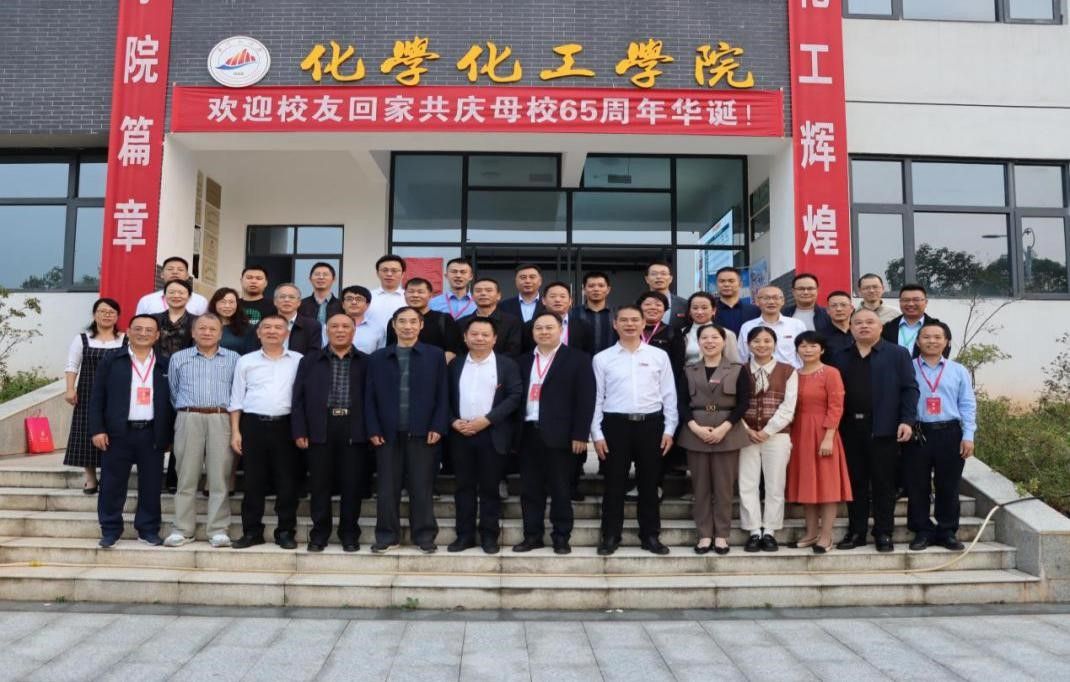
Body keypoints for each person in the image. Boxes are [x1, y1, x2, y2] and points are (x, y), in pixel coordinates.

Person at [830, 308, 919, 552]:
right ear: (851, 328)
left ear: (880, 327)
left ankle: (883, 533)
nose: (864, 326)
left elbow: (909, 389)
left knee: (884, 484)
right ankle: (856, 532)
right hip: (849, 429)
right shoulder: (840, 355)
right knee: (855, 484)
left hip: (884, 428)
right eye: (858, 322)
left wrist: (907, 420)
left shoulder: (897, 354)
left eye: (870, 322)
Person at [592, 306, 678, 556]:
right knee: (614, 483)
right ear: (615, 324)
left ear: (643, 324)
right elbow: (596, 398)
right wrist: (597, 433)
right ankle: (610, 535)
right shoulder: (602, 358)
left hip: (651, 425)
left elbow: (669, 395)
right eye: (624, 320)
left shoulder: (658, 356)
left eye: (634, 320)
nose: (629, 324)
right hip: (615, 425)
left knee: (649, 484)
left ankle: (650, 535)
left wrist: (669, 429)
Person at [365, 307, 449, 554]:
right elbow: (369, 397)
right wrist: (373, 427)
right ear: (393, 325)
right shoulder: (378, 358)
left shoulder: (435, 355)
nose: (407, 326)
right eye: (402, 321)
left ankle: (424, 536)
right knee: (386, 489)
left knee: (421, 487)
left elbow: (443, 393)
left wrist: (438, 425)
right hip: (387, 433)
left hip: (423, 432)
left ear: (421, 325)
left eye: (413, 322)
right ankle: (386, 536)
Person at [514, 311, 596, 555]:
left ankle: (561, 537)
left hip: (561, 435)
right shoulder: (523, 361)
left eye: (549, 327)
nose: (544, 332)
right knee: (530, 490)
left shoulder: (578, 359)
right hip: (528, 433)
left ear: (561, 330)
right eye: (539, 328)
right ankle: (532, 536)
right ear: (532, 332)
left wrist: (580, 434)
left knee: (561, 489)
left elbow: (585, 399)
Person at [88, 314, 173, 548]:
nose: (143, 333)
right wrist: (97, 430)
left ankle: (148, 530)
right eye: (138, 329)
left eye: (149, 330)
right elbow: (97, 397)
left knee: (151, 485)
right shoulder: (112, 360)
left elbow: (172, 403)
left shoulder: (165, 364)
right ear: (128, 331)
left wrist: (169, 435)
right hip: (118, 433)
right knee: (112, 484)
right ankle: (110, 530)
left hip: (151, 432)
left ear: (157, 335)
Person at [292, 314, 371, 553]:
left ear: (354, 331)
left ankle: (349, 534)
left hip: (354, 427)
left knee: (352, 485)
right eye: (334, 326)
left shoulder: (366, 362)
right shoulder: (310, 361)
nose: (340, 330)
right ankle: (319, 534)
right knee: (319, 485)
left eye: (345, 326)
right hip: (320, 427)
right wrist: (300, 429)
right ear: (327, 331)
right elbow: (298, 399)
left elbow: (374, 399)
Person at [447, 317, 523, 554]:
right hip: (460, 434)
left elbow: (514, 396)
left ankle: (489, 536)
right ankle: (464, 536)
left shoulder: (506, 365)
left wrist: (487, 420)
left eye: (485, 335)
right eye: (474, 334)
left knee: (490, 489)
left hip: (492, 434)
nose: (479, 338)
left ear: (494, 338)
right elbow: (443, 396)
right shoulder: (455, 364)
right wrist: (453, 421)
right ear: (465, 337)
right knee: (463, 488)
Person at [228, 315, 303, 550]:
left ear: (286, 333)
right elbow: (236, 399)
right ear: (258, 333)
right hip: (253, 425)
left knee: (287, 481)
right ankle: (252, 532)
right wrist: (235, 432)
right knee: (253, 481)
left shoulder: (298, 360)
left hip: (287, 426)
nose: (272, 331)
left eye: (278, 327)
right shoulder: (246, 361)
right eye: (267, 327)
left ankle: (285, 532)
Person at [164, 314, 238, 549]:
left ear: (220, 333)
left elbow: (237, 392)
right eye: (202, 328)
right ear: (193, 332)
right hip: (189, 417)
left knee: (219, 477)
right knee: (186, 476)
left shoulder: (233, 359)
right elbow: (173, 391)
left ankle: (218, 529)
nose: (207, 332)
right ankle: (182, 529)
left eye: (212, 329)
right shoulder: (179, 358)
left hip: (221, 418)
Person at [676, 324, 751, 555]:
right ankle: (704, 535)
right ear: (698, 343)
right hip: (695, 431)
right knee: (700, 488)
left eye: (715, 337)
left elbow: (743, 403)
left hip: (728, 431)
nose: (709, 342)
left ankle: (721, 536)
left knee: (724, 488)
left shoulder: (737, 369)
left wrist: (724, 428)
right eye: (704, 338)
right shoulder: (689, 370)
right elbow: (681, 403)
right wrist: (695, 427)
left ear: (724, 341)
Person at [905, 321, 977, 552]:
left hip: (950, 432)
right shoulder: (908, 368)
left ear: (946, 342)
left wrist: (968, 435)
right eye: (926, 337)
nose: (932, 341)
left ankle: (947, 531)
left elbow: (967, 404)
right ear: (918, 342)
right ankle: (922, 531)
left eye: (937, 337)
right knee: (917, 485)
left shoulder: (958, 370)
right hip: (918, 433)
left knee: (948, 485)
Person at [787, 331, 852, 554]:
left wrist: (829, 436)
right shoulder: (793, 374)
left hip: (824, 432)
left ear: (822, 349)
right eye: (803, 346)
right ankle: (811, 532)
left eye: (813, 345)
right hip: (799, 432)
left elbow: (836, 406)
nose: (808, 350)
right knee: (807, 483)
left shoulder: (831, 373)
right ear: (797, 350)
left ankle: (826, 536)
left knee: (827, 484)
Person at [738, 326, 799, 552]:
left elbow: (788, 407)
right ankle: (754, 530)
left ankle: (770, 530)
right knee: (747, 483)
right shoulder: (740, 370)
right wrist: (746, 429)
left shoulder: (788, 371)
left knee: (775, 484)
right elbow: (733, 404)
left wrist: (767, 431)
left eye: (767, 341)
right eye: (756, 341)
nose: (761, 345)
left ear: (775, 344)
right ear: (748, 345)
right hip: (745, 435)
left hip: (777, 436)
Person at [63, 298, 126, 495]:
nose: (107, 315)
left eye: (111, 312)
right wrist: (70, 388)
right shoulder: (82, 339)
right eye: (102, 311)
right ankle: (90, 477)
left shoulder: (124, 339)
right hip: (88, 392)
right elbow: (72, 364)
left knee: (114, 434)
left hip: (118, 393)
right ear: (94, 314)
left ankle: (109, 476)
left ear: (117, 316)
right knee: (86, 433)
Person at [386, 277, 465, 362]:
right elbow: (390, 350)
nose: (415, 295)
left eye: (420, 292)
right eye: (411, 292)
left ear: (430, 295)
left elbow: (451, 352)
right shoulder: (396, 321)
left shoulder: (445, 320)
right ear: (404, 294)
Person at [738, 285, 806, 368]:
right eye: (766, 298)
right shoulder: (747, 327)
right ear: (757, 301)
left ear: (782, 301)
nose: (771, 302)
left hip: (791, 373)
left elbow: (804, 353)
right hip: (759, 374)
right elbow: (742, 358)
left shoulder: (797, 324)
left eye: (776, 298)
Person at [521, 281, 594, 355]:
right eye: (552, 296)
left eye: (562, 296)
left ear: (570, 301)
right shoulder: (530, 326)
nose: (557, 300)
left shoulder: (583, 326)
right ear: (543, 301)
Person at [882, 284, 947, 358]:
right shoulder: (887, 328)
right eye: (906, 300)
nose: (911, 304)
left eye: (916, 300)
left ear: (926, 302)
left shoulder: (939, 327)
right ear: (900, 302)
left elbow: (944, 353)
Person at [676, 292, 740, 365]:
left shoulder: (726, 334)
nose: (699, 312)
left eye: (704, 308)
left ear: (713, 311)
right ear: (689, 311)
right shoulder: (681, 333)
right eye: (695, 308)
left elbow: (734, 364)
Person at [134, 256, 208, 316]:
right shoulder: (147, 301)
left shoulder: (200, 301)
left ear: (187, 276)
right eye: (170, 269)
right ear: (162, 274)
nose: (175, 272)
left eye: (180, 270)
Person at [470, 277, 523, 358]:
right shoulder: (462, 322)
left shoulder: (512, 322)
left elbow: (514, 351)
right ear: (472, 296)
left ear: (498, 296)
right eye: (478, 291)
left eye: (488, 290)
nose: (483, 293)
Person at [636, 291, 685, 370]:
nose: (653, 307)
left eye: (658, 305)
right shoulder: (630, 331)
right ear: (639, 308)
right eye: (647, 304)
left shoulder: (673, 332)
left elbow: (677, 363)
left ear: (665, 309)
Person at [573, 271, 617, 355]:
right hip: (581, 361)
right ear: (584, 290)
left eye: (601, 286)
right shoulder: (573, 314)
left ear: (608, 290)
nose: (596, 289)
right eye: (591, 286)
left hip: (612, 361)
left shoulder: (617, 314)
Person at [273, 283, 322, 355]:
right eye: (282, 297)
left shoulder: (312, 326)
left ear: (299, 302)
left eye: (291, 297)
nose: (286, 300)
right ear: (275, 301)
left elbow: (314, 354)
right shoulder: (265, 325)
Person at [152, 279, 196, 360]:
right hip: (156, 365)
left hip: (187, 365)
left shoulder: (197, 321)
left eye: (181, 293)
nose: (176, 296)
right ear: (164, 296)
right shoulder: (153, 319)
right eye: (171, 292)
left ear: (189, 297)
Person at [366, 254, 408, 332]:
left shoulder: (409, 297)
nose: (389, 274)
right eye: (385, 270)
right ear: (377, 273)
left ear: (403, 274)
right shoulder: (367, 296)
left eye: (394, 271)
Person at [713, 266, 760, 335]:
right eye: (722, 281)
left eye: (731, 281)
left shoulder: (755, 311)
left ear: (740, 284)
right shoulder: (710, 311)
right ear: (716, 285)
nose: (726, 284)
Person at [208, 287, 255, 355]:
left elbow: (251, 353)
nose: (227, 306)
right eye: (223, 302)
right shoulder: (206, 325)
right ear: (215, 303)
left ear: (237, 304)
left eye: (231, 302)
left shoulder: (247, 328)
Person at [341, 284, 386, 355]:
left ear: (367, 305)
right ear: (343, 304)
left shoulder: (378, 329)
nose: (354, 302)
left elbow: (380, 355)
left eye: (359, 299)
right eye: (349, 299)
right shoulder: (329, 327)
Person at [297, 261, 343, 326]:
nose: (321, 277)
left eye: (325, 274)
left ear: (334, 279)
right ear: (310, 279)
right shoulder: (300, 305)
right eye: (317, 274)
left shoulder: (341, 306)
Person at [823, 291, 855, 356]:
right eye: (834, 305)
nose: (839, 309)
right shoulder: (820, 336)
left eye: (843, 305)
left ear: (851, 309)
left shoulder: (861, 332)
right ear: (828, 310)